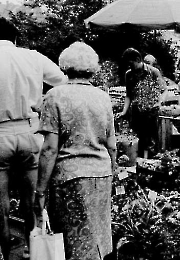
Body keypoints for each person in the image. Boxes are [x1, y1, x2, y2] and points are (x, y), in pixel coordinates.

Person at [34, 42, 116, 260]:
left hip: (70, 178)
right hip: (101, 174)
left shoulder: (54, 96)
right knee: (99, 237)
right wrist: (112, 170)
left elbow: (50, 149)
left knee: (74, 241)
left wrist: (40, 191)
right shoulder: (103, 97)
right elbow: (112, 145)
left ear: (65, 64)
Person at [0, 18, 67, 259]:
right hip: (30, 130)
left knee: (2, 204)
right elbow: (62, 82)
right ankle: (32, 249)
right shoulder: (32, 56)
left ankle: (6, 253)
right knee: (32, 197)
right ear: (15, 38)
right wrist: (42, 103)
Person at [117, 48, 167, 158]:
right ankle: (138, 164)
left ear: (138, 59)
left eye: (131, 64)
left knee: (150, 142)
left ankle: (150, 163)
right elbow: (129, 95)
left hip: (151, 112)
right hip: (136, 113)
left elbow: (164, 89)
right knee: (137, 140)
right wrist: (124, 111)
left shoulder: (153, 72)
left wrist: (160, 102)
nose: (130, 67)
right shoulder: (128, 75)